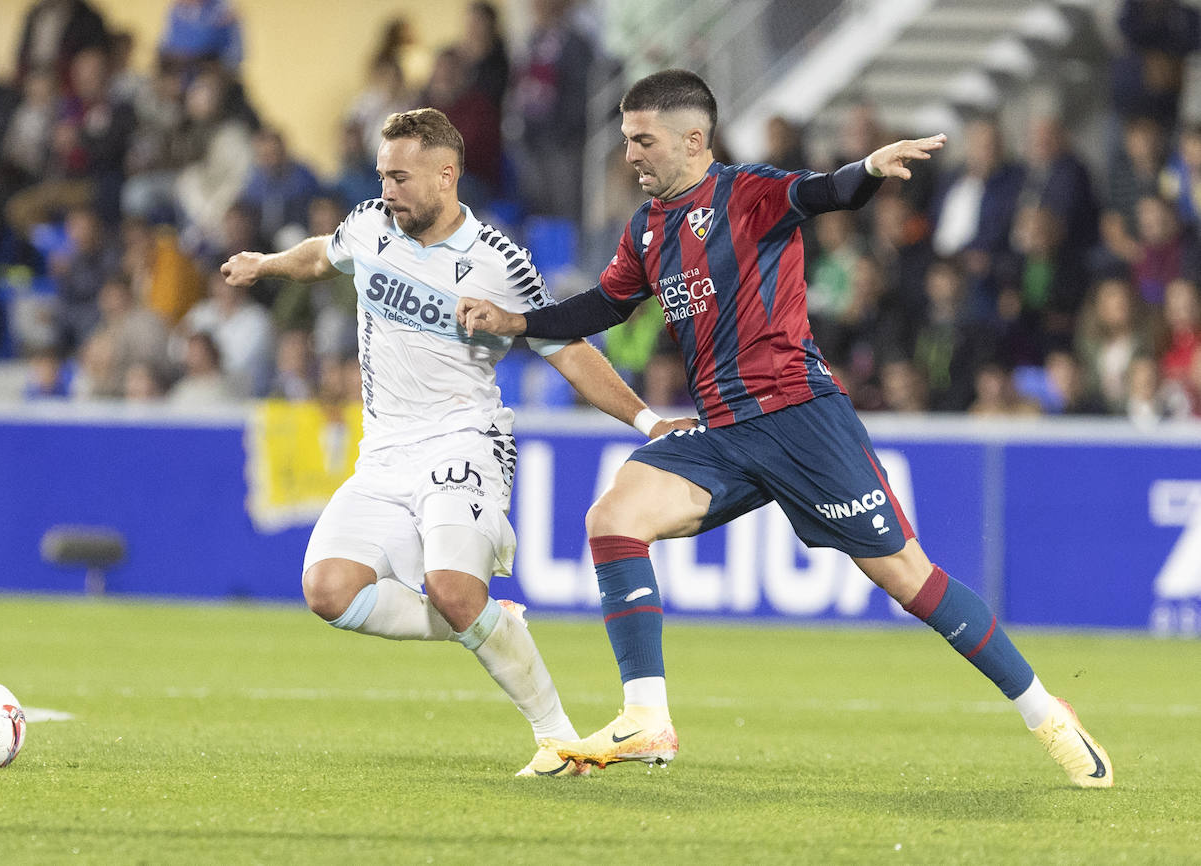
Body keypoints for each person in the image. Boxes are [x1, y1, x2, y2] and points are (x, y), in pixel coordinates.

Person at [456, 70, 1114, 788]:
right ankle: (646, 717)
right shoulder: (647, 229)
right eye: (625, 141)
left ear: (693, 140)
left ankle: (1047, 713)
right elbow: (602, 309)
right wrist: (518, 322)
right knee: (612, 519)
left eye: (643, 140)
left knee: (910, 581)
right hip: (724, 431)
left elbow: (825, 191)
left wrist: (867, 169)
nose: (630, 155)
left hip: (801, 420)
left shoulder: (748, 193)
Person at [220, 107, 689, 777]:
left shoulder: (496, 261)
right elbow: (322, 254)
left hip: (463, 443)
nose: (388, 190)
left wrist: (647, 421)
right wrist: (265, 263)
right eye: (384, 175)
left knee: (447, 584)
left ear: (447, 175)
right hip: (383, 455)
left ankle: (558, 742)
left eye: (402, 178)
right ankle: (490, 620)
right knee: (329, 590)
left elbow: (567, 349)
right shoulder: (370, 227)